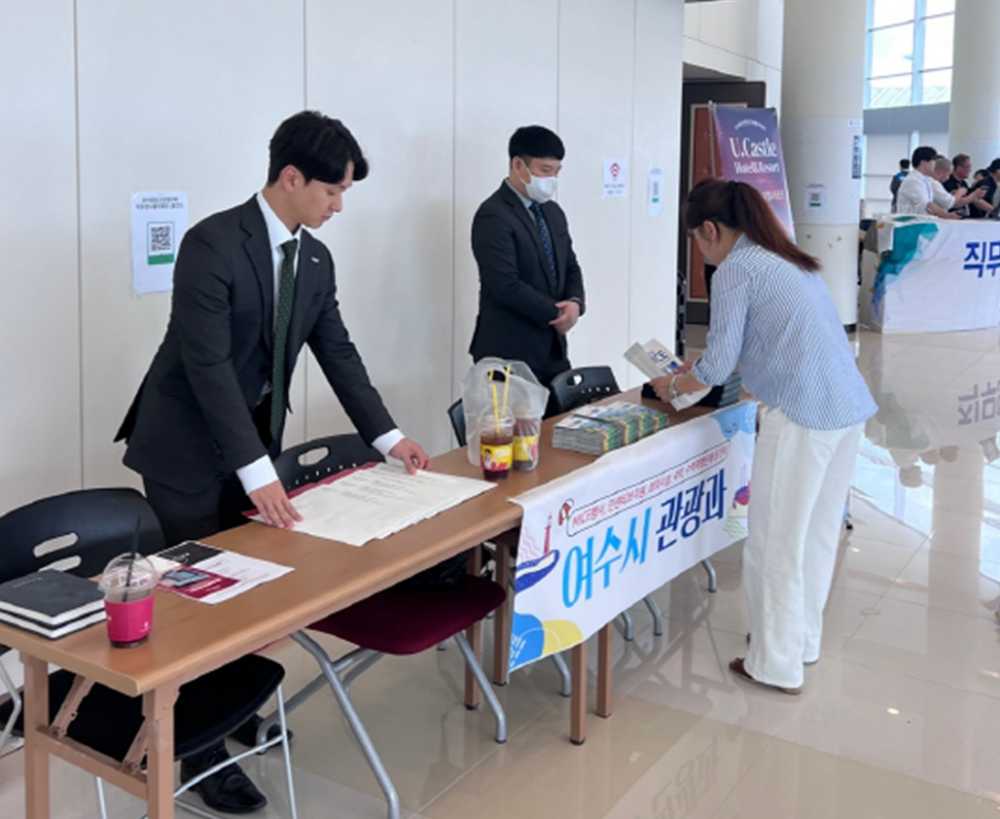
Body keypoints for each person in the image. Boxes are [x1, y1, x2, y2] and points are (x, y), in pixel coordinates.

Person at [115, 111, 429, 813]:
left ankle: (220, 712)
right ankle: (194, 751)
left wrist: (388, 437)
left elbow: (338, 353)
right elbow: (207, 368)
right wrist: (258, 473)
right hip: (186, 452)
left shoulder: (313, 259)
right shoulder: (212, 244)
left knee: (248, 593)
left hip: (248, 448)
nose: (339, 206)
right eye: (332, 191)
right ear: (291, 178)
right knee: (194, 604)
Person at [651, 179, 877, 695]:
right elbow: (759, 346)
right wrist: (704, 367)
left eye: (697, 241)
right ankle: (800, 643)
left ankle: (774, 664)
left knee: (775, 540)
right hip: (846, 408)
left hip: (802, 416)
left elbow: (719, 365)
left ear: (709, 229)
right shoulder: (787, 260)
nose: (701, 252)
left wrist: (675, 384)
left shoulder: (737, 270)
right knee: (815, 534)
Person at [469, 125, 585, 415]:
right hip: (509, 351)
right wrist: (556, 313)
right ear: (518, 165)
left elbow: (571, 265)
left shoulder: (552, 213)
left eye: (557, 172)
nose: (551, 180)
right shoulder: (493, 214)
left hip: (553, 351)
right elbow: (504, 284)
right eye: (545, 170)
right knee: (518, 447)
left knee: (559, 433)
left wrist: (575, 303)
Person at [896, 146, 984, 218]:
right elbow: (928, 205)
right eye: (933, 161)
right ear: (924, 163)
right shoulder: (913, 181)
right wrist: (947, 215)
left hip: (922, 225)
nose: (935, 164)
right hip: (911, 226)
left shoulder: (926, 180)